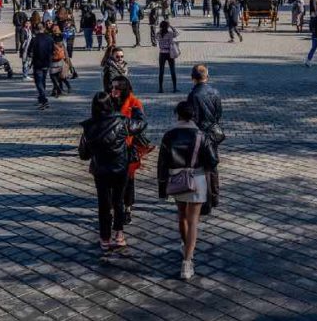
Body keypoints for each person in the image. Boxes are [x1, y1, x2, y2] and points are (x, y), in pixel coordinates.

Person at [158, 100, 219, 280]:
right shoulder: (201, 135)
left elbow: (162, 164)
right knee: (193, 221)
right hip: (197, 179)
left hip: (177, 180)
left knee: (182, 216)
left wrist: (162, 186)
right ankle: (187, 261)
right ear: (194, 116)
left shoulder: (169, 135)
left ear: (177, 114)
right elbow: (213, 161)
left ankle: (186, 245)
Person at [79, 92, 144, 251]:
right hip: (120, 168)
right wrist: (137, 112)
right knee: (118, 201)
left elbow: (84, 154)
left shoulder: (89, 126)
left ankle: (105, 238)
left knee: (103, 203)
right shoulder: (121, 121)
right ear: (110, 104)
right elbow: (141, 125)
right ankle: (119, 235)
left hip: (100, 169)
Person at [109, 75, 153, 225]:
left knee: (128, 180)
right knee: (113, 182)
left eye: (116, 88)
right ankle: (115, 209)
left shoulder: (134, 103)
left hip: (127, 147)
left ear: (124, 89)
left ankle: (127, 208)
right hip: (111, 148)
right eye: (112, 87)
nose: (113, 90)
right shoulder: (108, 100)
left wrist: (124, 127)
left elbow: (141, 123)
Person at [29, 25, 54, 110]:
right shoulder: (49, 38)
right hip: (47, 63)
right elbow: (53, 50)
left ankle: (44, 99)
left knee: (38, 82)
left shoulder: (34, 39)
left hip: (37, 63)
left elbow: (29, 52)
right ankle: (41, 98)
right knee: (43, 80)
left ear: (36, 30)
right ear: (43, 29)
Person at [157, 21, 179, 93]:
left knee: (161, 71)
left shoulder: (159, 34)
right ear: (167, 26)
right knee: (172, 70)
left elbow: (156, 36)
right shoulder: (170, 34)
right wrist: (171, 26)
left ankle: (160, 88)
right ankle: (174, 88)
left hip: (162, 53)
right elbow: (177, 33)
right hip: (170, 53)